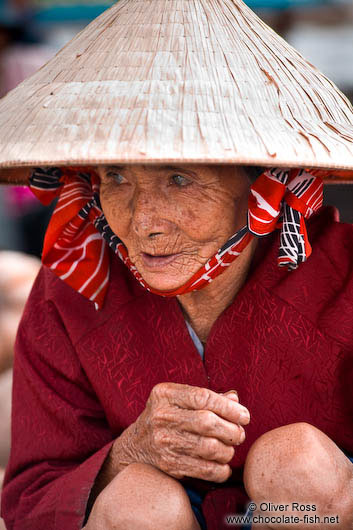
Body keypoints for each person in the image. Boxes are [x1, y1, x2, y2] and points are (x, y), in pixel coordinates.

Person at [0, 1, 353, 529]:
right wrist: (129, 454)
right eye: (117, 177)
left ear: (261, 183)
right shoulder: (71, 289)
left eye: (179, 180)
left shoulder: (343, 273)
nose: (144, 222)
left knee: (295, 464)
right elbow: (30, 497)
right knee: (139, 501)